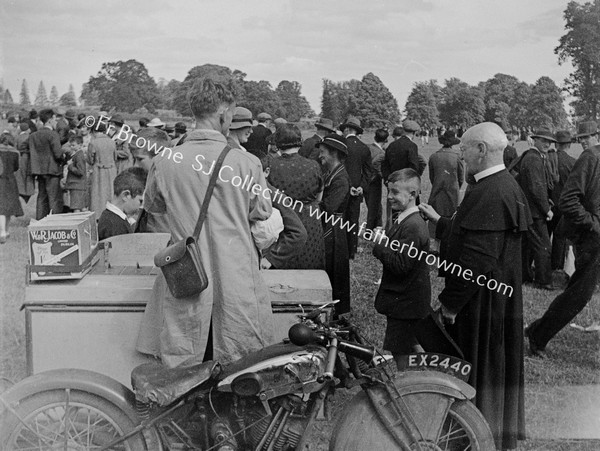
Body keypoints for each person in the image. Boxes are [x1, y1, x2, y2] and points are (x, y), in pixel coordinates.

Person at [136, 77, 275, 367]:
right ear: (224, 113)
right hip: (235, 275)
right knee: (239, 362)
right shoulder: (246, 163)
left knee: (185, 358)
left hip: (187, 273)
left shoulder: (166, 160)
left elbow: (153, 205)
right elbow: (262, 210)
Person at [419, 122, 530, 451]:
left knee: (482, 366)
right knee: (492, 365)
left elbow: (478, 259)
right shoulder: (498, 185)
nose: (460, 154)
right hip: (493, 295)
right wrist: (441, 222)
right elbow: (476, 234)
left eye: (465, 148)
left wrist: (450, 304)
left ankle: (477, 434)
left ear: (481, 150)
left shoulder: (491, 191)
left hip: (483, 301)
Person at [526, 121, 600, 358]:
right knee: (579, 294)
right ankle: (538, 335)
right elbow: (568, 200)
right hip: (592, 239)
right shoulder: (591, 157)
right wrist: (594, 224)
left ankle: (537, 330)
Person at [374, 168, 431, 359]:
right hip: (405, 300)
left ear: (413, 194)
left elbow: (401, 265)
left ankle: (413, 383)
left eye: (395, 192)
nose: (389, 197)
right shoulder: (406, 220)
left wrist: (380, 244)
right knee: (411, 344)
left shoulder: (413, 225)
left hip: (406, 302)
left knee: (402, 351)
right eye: (388, 191)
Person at [268, 123, 325, 269]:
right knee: (309, 270)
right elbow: (319, 198)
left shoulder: (271, 166)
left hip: (283, 223)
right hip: (310, 221)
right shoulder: (314, 165)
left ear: (278, 143)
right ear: (299, 143)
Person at [318, 133, 351, 315]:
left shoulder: (341, 179)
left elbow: (329, 207)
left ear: (334, 153)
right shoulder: (332, 173)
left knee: (334, 269)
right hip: (331, 227)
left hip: (334, 230)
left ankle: (338, 312)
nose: (320, 155)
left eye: (323, 152)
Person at [518, 128, 556, 289]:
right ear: (535, 140)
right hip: (535, 212)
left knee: (527, 246)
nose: (547, 144)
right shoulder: (533, 159)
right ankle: (543, 281)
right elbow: (536, 188)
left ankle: (524, 276)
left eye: (549, 141)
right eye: (543, 140)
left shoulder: (532, 156)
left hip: (528, 210)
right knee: (543, 246)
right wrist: (546, 209)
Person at [259, 154, 308, 270]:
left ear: (266, 172)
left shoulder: (274, 196)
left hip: (263, 260)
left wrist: (271, 258)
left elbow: (298, 234)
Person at [340, 116, 373, 259]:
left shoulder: (340, 145)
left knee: (339, 218)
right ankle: (351, 250)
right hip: (357, 189)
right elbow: (368, 172)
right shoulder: (364, 148)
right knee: (353, 219)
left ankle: (340, 247)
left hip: (341, 188)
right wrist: (361, 187)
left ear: (347, 129)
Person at [427, 130, 464, 253]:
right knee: (450, 217)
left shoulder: (433, 156)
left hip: (437, 190)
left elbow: (432, 177)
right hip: (452, 192)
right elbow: (461, 177)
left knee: (435, 215)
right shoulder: (457, 157)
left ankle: (435, 244)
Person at [28, 108, 65, 219]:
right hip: (52, 170)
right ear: (49, 120)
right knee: (54, 198)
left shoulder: (33, 135)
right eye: (54, 119)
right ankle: (55, 221)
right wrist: (63, 159)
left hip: (39, 170)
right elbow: (58, 154)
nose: (55, 122)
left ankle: (40, 221)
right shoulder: (53, 135)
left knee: (41, 197)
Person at [549, 130, 576, 270]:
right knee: (560, 237)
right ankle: (557, 265)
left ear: (556, 144)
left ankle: (545, 264)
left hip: (549, 203)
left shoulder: (548, 159)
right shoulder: (573, 162)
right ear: (569, 145)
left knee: (546, 235)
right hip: (564, 203)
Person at [97, 169, 145, 241]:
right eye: (140, 201)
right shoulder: (115, 226)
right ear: (126, 195)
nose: (141, 207)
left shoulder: (110, 217)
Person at [88, 120, 117, 218]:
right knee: (110, 191)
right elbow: (115, 157)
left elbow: (90, 159)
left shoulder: (93, 143)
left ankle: (98, 214)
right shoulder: (112, 142)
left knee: (98, 193)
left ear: (94, 131)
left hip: (99, 169)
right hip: (111, 169)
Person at [0, 135, 23, 244]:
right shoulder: (15, 152)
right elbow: (16, 167)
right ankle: (6, 230)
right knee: (8, 208)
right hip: (11, 180)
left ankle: (2, 232)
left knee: (1, 208)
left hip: (1, 180)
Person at [366, 128, 388, 231]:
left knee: (371, 205)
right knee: (374, 206)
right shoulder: (382, 153)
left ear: (375, 137)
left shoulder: (367, 147)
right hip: (375, 181)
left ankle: (375, 226)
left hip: (365, 180)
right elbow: (376, 165)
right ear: (385, 141)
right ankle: (371, 229)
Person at [63, 134, 88, 212]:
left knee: (76, 208)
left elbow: (80, 171)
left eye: (73, 145)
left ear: (80, 145)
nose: (71, 147)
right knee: (82, 207)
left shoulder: (78, 156)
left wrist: (70, 166)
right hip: (79, 185)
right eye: (70, 145)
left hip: (76, 185)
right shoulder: (77, 155)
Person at [15, 122, 34, 203]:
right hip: (30, 158)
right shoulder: (30, 137)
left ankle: (21, 191)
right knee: (29, 175)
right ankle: (29, 192)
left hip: (21, 157)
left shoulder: (17, 137)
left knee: (21, 175)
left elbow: (15, 148)